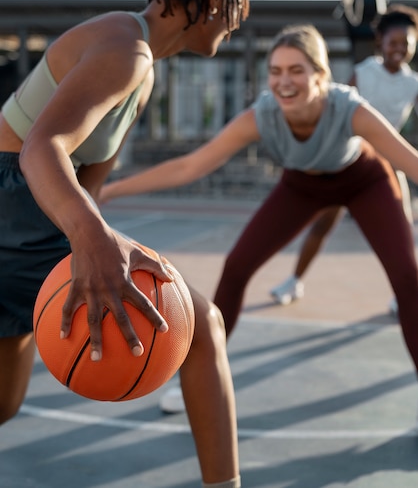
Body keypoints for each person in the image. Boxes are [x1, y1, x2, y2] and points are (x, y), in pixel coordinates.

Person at [0, 0, 249, 488]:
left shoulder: (141, 66)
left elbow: (88, 188)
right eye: (236, 6)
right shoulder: (127, 50)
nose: (237, 22)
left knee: (4, 403)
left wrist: (99, 236)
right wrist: (93, 238)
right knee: (202, 323)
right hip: (14, 199)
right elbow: (41, 149)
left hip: (34, 211)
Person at [100, 23, 418, 424]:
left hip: (364, 180)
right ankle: (194, 379)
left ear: (321, 74)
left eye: (297, 70)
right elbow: (190, 166)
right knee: (236, 267)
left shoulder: (350, 109)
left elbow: (410, 162)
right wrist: (111, 191)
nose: (284, 81)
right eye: (276, 71)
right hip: (301, 184)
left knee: (408, 280)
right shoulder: (263, 115)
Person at [269, 5, 418, 310]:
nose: (399, 49)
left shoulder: (413, 83)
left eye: (407, 44)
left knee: (402, 230)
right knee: (323, 223)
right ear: (381, 42)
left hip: (388, 163)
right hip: (351, 162)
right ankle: (294, 280)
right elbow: (336, 112)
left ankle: (402, 295)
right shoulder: (363, 73)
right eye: (394, 43)